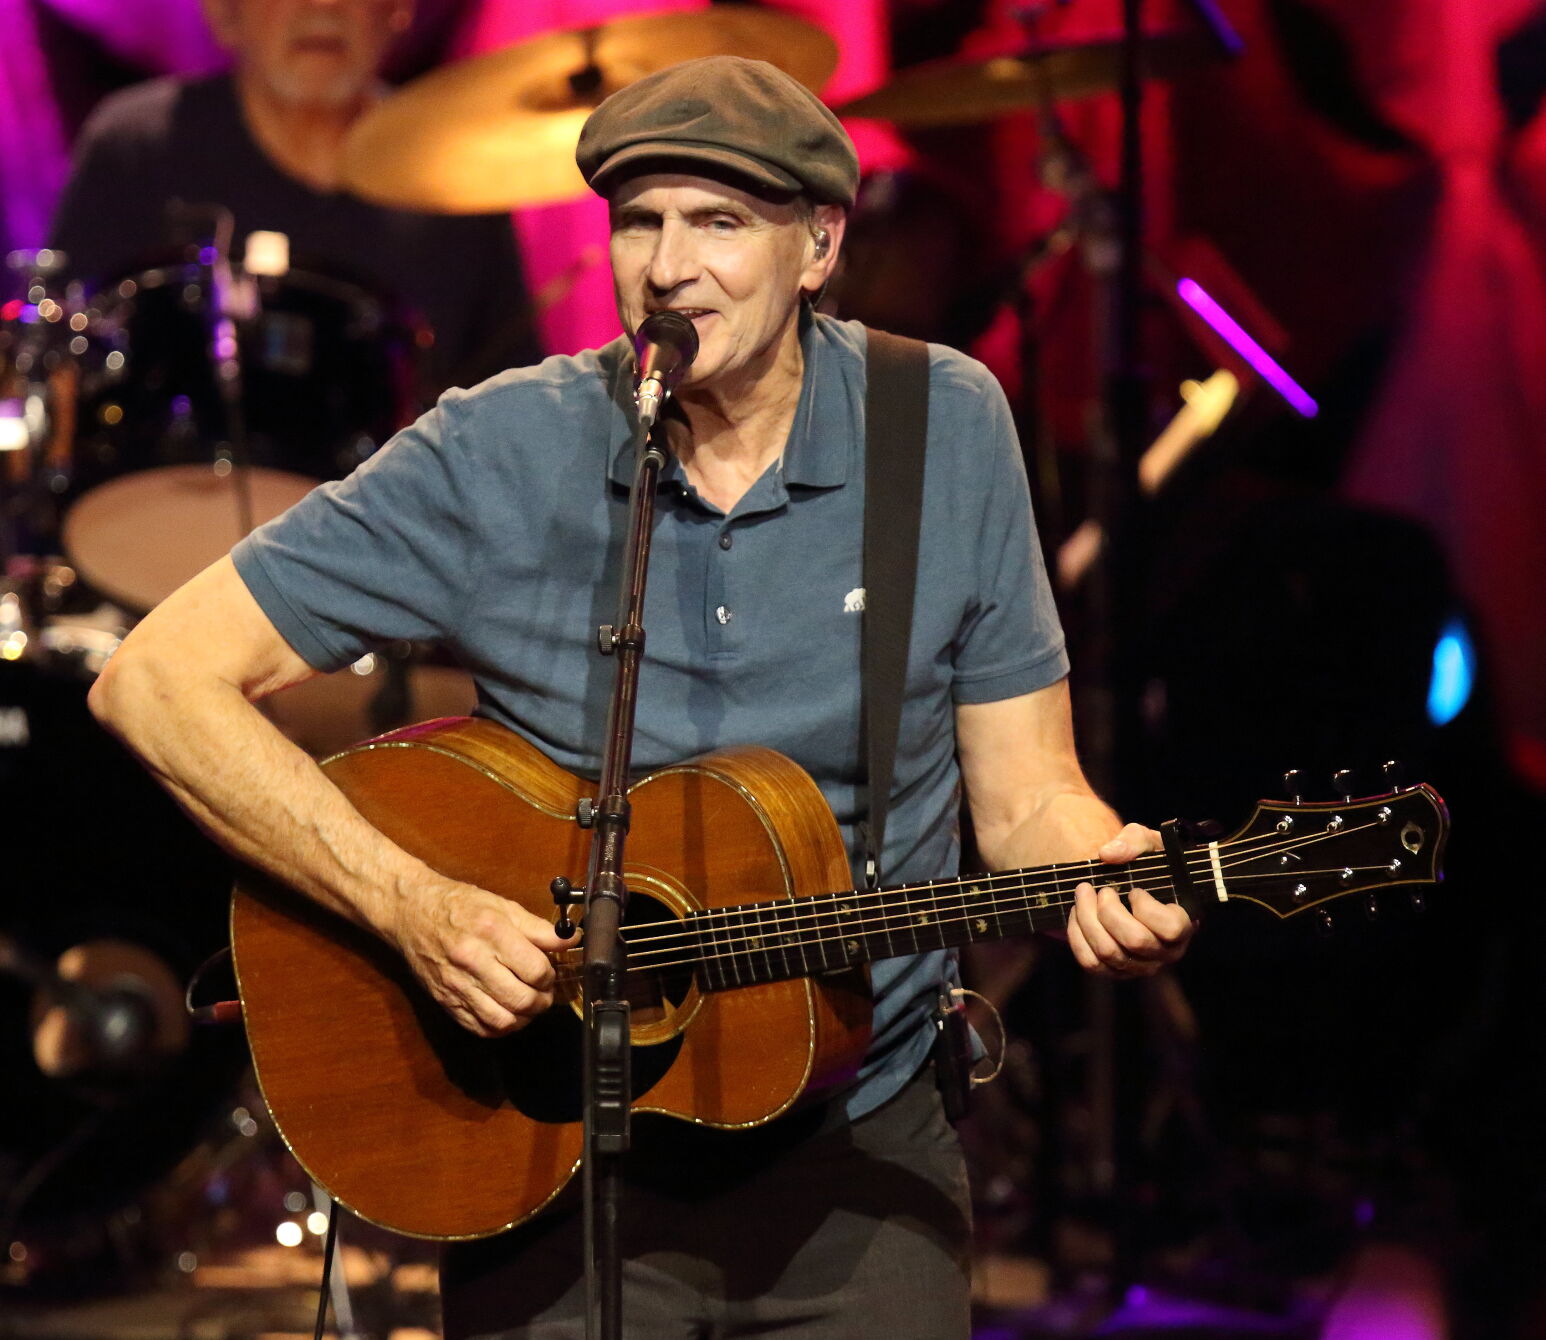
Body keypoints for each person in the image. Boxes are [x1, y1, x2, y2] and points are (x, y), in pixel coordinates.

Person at [87, 55, 1195, 1339]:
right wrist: (412, 903)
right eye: (639, 222)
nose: (667, 266)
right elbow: (154, 678)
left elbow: (1028, 802)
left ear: (819, 244)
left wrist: (1102, 864)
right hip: (541, 1136)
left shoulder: (940, 426)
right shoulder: (505, 446)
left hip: (859, 1144)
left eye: (718, 222)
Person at [48, 0, 540, 392]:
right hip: (161, 503)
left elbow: (513, 407)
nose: (323, 5)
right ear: (222, 11)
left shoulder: (458, 178)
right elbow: (53, 359)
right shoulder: (136, 149)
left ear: (400, 9)